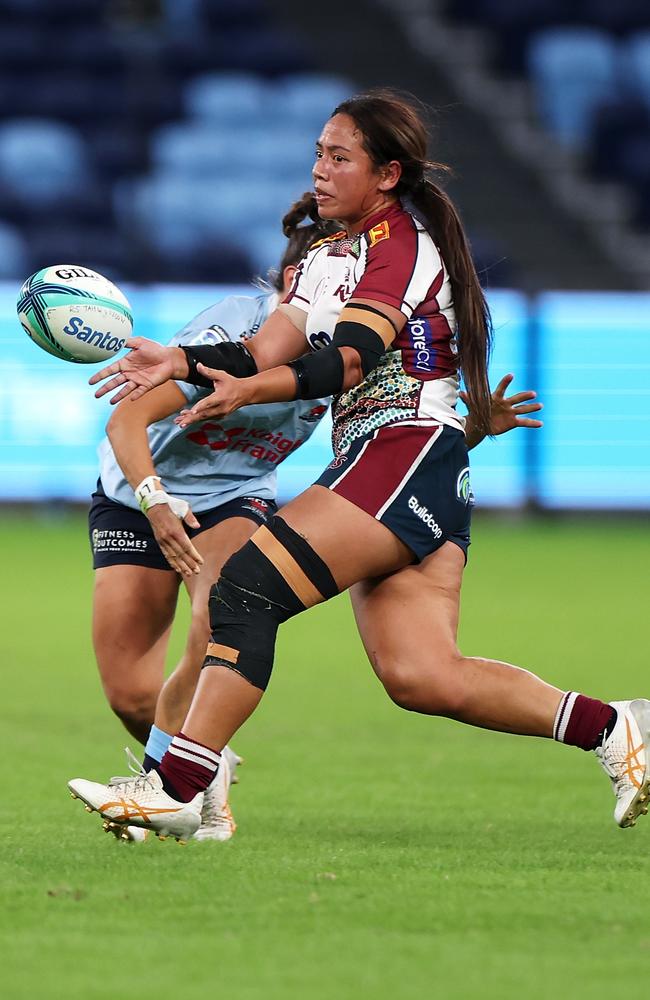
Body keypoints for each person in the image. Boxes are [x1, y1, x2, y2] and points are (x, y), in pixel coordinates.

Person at [70, 90, 649, 844]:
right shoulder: (325, 258)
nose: (319, 169)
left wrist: (251, 389)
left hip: (400, 450)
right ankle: (620, 730)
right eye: (317, 152)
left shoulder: (402, 245)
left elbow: (347, 361)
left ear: (387, 174)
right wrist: (179, 358)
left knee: (246, 585)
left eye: (339, 157)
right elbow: (261, 352)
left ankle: (180, 787)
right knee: (422, 676)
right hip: (404, 463)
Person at [87, 216, 332, 841]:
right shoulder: (232, 331)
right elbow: (126, 424)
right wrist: (156, 502)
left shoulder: (347, 351)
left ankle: (167, 789)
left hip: (235, 496)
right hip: (137, 493)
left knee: (217, 615)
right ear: (296, 281)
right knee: (129, 695)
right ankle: (203, 761)